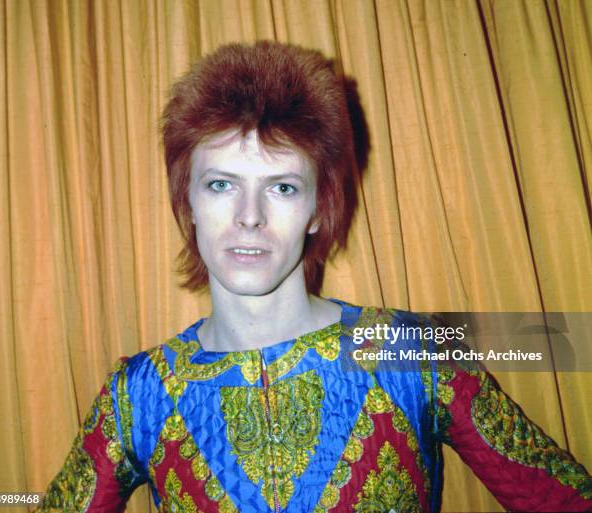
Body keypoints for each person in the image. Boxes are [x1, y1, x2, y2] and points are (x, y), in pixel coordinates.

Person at [36, 41, 591, 513]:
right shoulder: (138, 394)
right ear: (188, 201)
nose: (249, 216)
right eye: (221, 184)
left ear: (320, 208)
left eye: (282, 187)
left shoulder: (411, 352)